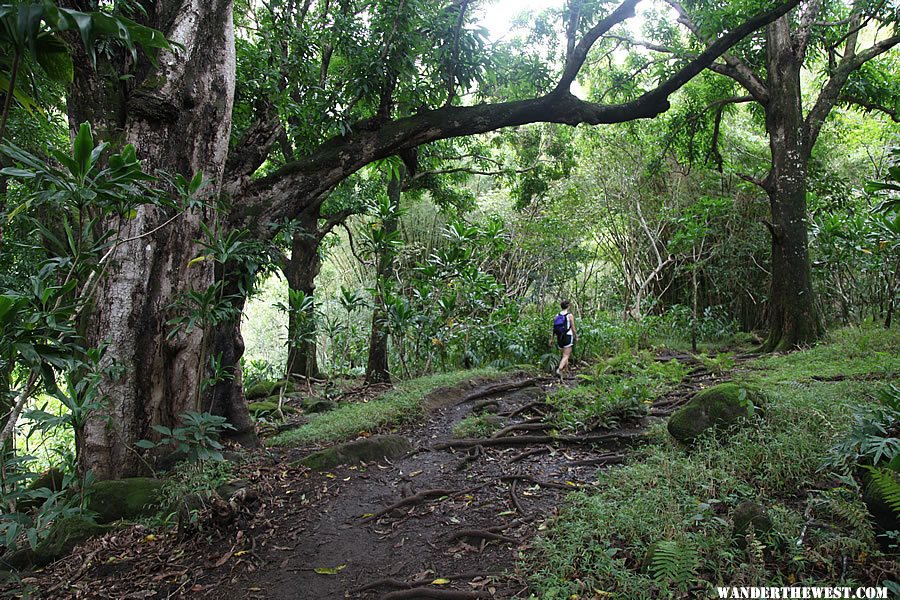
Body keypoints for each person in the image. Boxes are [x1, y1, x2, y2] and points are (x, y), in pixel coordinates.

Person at [549, 300, 576, 379]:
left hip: (559, 337)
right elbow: (573, 327)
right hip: (568, 336)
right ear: (568, 306)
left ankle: (566, 372)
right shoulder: (569, 315)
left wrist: (551, 339)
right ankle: (559, 369)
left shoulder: (557, 315)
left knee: (564, 355)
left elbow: (554, 328)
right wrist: (576, 336)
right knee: (566, 355)